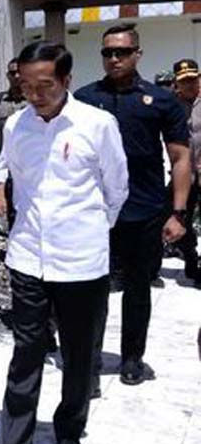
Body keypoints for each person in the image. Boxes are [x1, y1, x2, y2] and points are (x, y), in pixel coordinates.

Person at [0, 41, 128, 444]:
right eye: (26, 85)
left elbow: (117, 188)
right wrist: (1, 187)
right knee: (25, 357)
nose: (35, 94)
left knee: (78, 357)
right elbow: (6, 165)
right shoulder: (16, 124)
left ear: (66, 82)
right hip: (27, 259)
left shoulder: (99, 125)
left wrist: (90, 231)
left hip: (81, 263)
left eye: (45, 86)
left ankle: (70, 427)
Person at [74, 24, 191, 387]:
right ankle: (88, 360)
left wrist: (178, 212)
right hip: (94, 212)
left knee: (138, 289)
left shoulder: (161, 100)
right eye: (108, 52)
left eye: (122, 52)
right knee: (91, 291)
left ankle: (131, 358)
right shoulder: (84, 97)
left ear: (137, 54)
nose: (114, 58)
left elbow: (181, 157)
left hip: (144, 209)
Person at [0, 58, 27, 229]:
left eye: (19, 72)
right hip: (7, 166)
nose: (16, 76)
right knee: (9, 208)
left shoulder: (34, 100)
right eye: (12, 72)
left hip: (30, 166)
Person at [172, 58, 201, 283]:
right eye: (184, 81)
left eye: (193, 79)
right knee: (179, 219)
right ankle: (192, 259)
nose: (189, 84)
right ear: (176, 83)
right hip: (184, 176)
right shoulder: (171, 106)